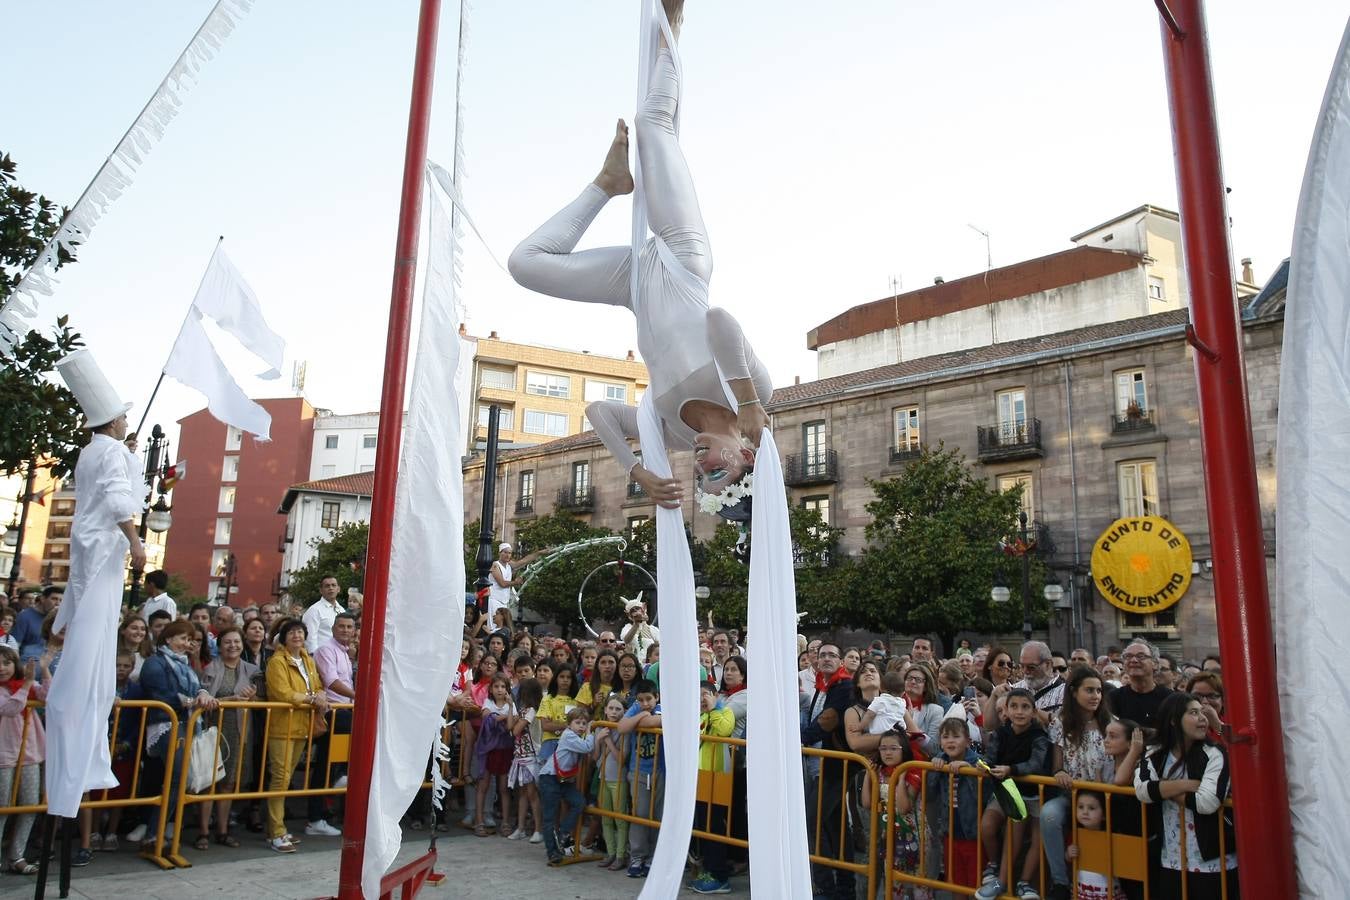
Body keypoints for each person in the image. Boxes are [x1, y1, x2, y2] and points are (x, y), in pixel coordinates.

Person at [507, 3, 772, 518]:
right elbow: (720, 321)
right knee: (654, 125)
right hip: (681, 258)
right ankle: (671, 33)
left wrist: (635, 467)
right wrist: (750, 402)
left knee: (526, 263)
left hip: (634, 287)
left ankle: (607, 185)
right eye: (718, 470)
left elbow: (601, 410)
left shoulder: (673, 430)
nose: (701, 466)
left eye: (701, 478)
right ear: (746, 452)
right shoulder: (751, 395)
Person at [1134, 693, 1238, 900]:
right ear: (1173, 719)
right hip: (1170, 858)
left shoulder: (1215, 752)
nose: (1202, 718)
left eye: (1202, 712)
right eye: (1193, 712)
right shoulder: (1155, 752)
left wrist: (1162, 788)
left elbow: (1206, 802)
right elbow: (1143, 791)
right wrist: (1186, 785)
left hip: (1213, 860)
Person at [138, 620, 220, 850]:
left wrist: (202, 694)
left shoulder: (185, 664)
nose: (187, 644)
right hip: (166, 724)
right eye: (183, 639)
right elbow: (159, 694)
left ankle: (158, 830)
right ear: (168, 639)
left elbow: (196, 687)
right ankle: (154, 832)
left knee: (180, 779)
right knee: (177, 778)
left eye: (189, 639)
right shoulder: (155, 663)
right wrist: (191, 700)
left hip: (186, 725)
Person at [1042, 667, 1114, 900]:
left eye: (1099, 691)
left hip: (1105, 795)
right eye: (1089, 690)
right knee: (1049, 815)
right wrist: (1060, 772)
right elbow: (1057, 764)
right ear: (1074, 692)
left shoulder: (1110, 723)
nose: (1096, 696)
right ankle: (1060, 882)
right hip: (1071, 795)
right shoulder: (1061, 723)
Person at [975, 688, 1051, 900]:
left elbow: (1036, 764)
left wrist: (1011, 769)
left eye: (1025, 707)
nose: (1019, 712)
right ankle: (997, 868)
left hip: (1035, 795)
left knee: (1038, 840)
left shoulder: (1039, 735)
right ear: (1006, 710)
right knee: (989, 826)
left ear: (1034, 711)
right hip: (1008, 792)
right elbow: (991, 756)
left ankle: (1024, 882)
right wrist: (985, 766)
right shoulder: (1001, 733)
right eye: (1014, 706)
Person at [263, 618, 331, 853]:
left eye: (300, 632)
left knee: (286, 777)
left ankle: (278, 828)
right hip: (282, 727)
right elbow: (283, 693)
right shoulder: (277, 662)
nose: (297, 636)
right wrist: (311, 699)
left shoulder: (307, 660)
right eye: (292, 632)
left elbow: (318, 685)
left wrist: (319, 695)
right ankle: (276, 831)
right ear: (283, 637)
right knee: (280, 778)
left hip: (302, 726)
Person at [801, 642, 855, 900]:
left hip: (836, 766)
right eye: (822, 655)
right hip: (823, 765)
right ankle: (845, 888)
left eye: (832, 655)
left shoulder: (843, 686)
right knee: (837, 827)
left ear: (841, 661)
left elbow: (827, 721)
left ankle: (826, 888)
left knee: (813, 821)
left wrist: (799, 738)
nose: (826, 659)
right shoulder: (822, 686)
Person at [199, 626, 259, 850]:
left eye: (236, 642)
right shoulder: (210, 669)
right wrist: (233, 698)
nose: (232, 646)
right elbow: (204, 696)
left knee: (229, 783)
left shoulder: (252, 670)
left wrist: (253, 698)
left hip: (239, 730)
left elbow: (260, 699)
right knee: (209, 782)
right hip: (213, 729)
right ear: (219, 645)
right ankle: (203, 831)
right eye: (227, 642)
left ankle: (223, 830)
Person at [861, 730, 926, 899]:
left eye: (893, 748)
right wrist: (868, 775)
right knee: (894, 888)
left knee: (920, 889)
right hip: (889, 838)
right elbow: (867, 803)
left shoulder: (912, 770)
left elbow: (904, 807)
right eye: (883, 749)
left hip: (916, 839)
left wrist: (901, 776)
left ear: (903, 749)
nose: (887, 752)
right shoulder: (880, 773)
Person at [925, 718, 984, 893]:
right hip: (950, 832)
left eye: (956, 736)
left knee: (977, 885)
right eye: (945, 737)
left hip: (973, 834)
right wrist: (935, 770)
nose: (950, 740)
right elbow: (929, 793)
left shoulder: (979, 763)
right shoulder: (940, 762)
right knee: (956, 884)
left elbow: (985, 795)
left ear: (968, 741)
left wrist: (970, 769)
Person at [688, 681, 735, 894]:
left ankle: (719, 876)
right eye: (698, 696)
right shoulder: (697, 716)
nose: (702, 699)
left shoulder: (725, 712)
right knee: (703, 826)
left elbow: (724, 730)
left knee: (714, 827)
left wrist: (714, 708)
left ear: (716, 695)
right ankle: (708, 869)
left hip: (717, 778)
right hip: (699, 778)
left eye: (705, 694)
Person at [0, 649, 44, 874]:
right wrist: (27, 684)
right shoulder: (15, 688)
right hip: (4, 757)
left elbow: (47, 695)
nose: (2, 667)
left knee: (30, 805)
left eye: (6, 663)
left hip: (29, 753)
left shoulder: (25, 683)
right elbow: (10, 708)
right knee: (3, 808)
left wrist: (44, 669)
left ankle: (16, 855)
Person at [538, 706, 596, 866]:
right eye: (578, 722)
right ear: (569, 724)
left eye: (584, 723)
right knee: (549, 817)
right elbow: (587, 747)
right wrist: (591, 731)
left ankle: (563, 832)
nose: (582, 726)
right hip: (549, 778)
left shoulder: (576, 737)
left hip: (563, 780)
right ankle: (553, 853)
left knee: (579, 803)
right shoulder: (569, 736)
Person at [617, 678, 663, 878]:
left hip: (660, 771)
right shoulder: (637, 708)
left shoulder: (661, 707)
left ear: (657, 697)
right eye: (641, 700)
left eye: (649, 700)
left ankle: (654, 857)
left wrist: (641, 717)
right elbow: (622, 727)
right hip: (638, 771)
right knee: (640, 815)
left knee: (658, 815)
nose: (645, 704)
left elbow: (657, 721)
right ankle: (637, 856)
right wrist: (642, 715)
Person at [1065, 791, 1130, 900]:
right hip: (1082, 890)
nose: (1085, 812)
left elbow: (1123, 864)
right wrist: (1068, 853)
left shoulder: (1112, 837)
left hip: (1107, 892)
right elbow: (1068, 859)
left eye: (1091, 808)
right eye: (1080, 807)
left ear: (1104, 814)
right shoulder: (1075, 835)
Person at [473, 674, 515, 837]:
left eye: (503, 687)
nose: (499, 690)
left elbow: (512, 724)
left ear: (507, 689)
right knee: (483, 786)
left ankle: (505, 822)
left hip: (505, 749)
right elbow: (486, 716)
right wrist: (502, 717)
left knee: (504, 788)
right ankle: (479, 821)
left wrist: (508, 712)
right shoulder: (488, 702)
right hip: (488, 750)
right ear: (491, 689)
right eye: (496, 687)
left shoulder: (511, 705)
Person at [594, 694, 631, 870]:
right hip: (602, 777)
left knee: (620, 819)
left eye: (618, 709)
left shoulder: (625, 731)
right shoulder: (600, 727)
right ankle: (610, 852)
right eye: (611, 708)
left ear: (624, 711)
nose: (614, 712)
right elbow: (595, 757)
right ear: (606, 709)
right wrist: (599, 739)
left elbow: (621, 758)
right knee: (606, 818)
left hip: (618, 778)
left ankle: (621, 854)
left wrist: (607, 740)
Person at [507, 677, 545, 844]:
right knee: (523, 793)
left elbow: (514, 731)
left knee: (532, 793)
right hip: (520, 756)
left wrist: (515, 719)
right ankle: (521, 828)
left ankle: (538, 829)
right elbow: (510, 726)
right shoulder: (524, 710)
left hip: (530, 756)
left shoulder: (531, 711)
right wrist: (510, 707)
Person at [1108, 639, 1172, 731]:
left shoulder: (1169, 699)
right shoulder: (1113, 698)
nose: (1133, 660)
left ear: (1155, 664)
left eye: (1141, 656)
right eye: (1128, 656)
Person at [487, 543, 547, 624]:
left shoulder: (510, 564)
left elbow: (524, 561)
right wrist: (515, 582)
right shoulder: (495, 565)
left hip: (504, 602)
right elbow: (502, 583)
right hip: (494, 600)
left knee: (500, 626)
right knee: (493, 625)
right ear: (499, 553)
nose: (507, 555)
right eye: (505, 552)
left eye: (509, 553)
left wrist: (539, 553)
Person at [11, 586, 62, 664]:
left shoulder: (58, 619)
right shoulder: (24, 617)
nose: (58, 603)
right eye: (54, 599)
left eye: (61, 600)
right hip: (28, 664)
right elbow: (14, 647)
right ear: (42, 598)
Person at [301, 576, 345, 655]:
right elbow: (309, 638)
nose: (331, 588)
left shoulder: (342, 610)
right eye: (327, 586)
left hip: (340, 655)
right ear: (321, 590)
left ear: (338, 589)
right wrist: (315, 657)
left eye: (333, 585)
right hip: (322, 656)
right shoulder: (314, 610)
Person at [861, 670, 909, 735]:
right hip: (899, 733)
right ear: (903, 693)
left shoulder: (880, 701)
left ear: (880, 688)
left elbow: (870, 715)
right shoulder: (902, 703)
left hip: (880, 733)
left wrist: (860, 726)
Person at [619, 595, 660, 661]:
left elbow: (659, 648)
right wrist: (636, 624)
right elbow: (626, 640)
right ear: (629, 615)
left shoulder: (653, 630)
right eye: (632, 610)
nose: (635, 611)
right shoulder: (627, 628)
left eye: (637, 608)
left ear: (644, 609)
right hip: (635, 664)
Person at [117, 614, 153, 681]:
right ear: (123, 630)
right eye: (134, 628)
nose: (139, 632)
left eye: (143, 629)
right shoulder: (113, 654)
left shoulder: (150, 657)